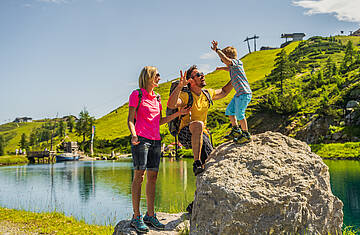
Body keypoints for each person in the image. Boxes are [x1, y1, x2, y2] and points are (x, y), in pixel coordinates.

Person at [127, 66, 190, 233]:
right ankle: (136, 216)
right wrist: (134, 135)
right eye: (157, 75)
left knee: (153, 178)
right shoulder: (137, 95)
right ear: (148, 77)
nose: (160, 78)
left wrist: (178, 114)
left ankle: (150, 215)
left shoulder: (158, 98)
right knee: (139, 176)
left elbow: (159, 121)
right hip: (140, 140)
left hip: (156, 140)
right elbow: (130, 120)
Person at [167, 65, 233, 176]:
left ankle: (202, 173)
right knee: (198, 124)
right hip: (185, 134)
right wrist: (179, 87)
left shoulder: (206, 94)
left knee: (210, 162)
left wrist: (235, 77)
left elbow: (224, 91)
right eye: (198, 75)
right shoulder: (186, 96)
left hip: (202, 134)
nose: (202, 75)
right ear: (191, 81)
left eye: (202, 73)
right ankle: (196, 163)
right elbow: (171, 104)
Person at [211, 40, 252, 143]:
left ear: (228, 57)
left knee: (240, 114)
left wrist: (217, 50)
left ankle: (246, 134)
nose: (222, 61)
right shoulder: (233, 67)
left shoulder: (238, 62)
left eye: (222, 59)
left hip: (244, 93)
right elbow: (229, 68)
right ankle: (236, 130)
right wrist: (222, 68)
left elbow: (227, 61)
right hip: (238, 94)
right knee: (229, 111)